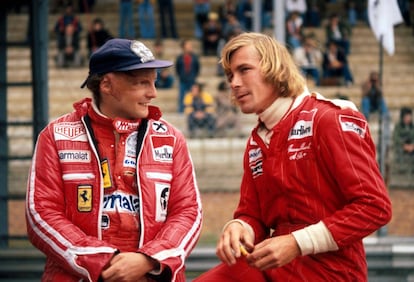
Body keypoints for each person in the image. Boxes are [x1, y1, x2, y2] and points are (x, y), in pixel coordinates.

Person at [194, 32, 391, 281]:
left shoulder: (329, 118)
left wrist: (297, 243)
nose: (234, 82)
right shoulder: (256, 141)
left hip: (334, 272)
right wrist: (239, 227)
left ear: (275, 69)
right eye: (230, 75)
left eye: (244, 70)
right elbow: (252, 215)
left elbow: (375, 207)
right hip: (274, 267)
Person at [26, 38, 203, 281]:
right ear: (107, 85)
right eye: (142, 83)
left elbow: (188, 212)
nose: (153, 93)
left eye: (154, 82)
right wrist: (103, 264)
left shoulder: (170, 138)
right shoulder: (56, 135)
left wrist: (148, 261)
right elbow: (41, 214)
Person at [175, 39, 201, 113]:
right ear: (183, 47)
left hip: (192, 79)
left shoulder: (194, 57)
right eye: (188, 46)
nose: (190, 47)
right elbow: (177, 68)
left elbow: (197, 67)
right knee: (182, 96)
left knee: (193, 95)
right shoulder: (180, 58)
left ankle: (193, 110)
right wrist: (181, 76)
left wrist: (194, 76)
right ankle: (181, 111)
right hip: (183, 79)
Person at [392, 107, 414, 171]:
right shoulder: (398, 127)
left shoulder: (412, 127)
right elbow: (396, 138)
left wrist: (412, 146)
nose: (408, 119)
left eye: (409, 117)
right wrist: (404, 145)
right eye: (406, 117)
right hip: (401, 148)